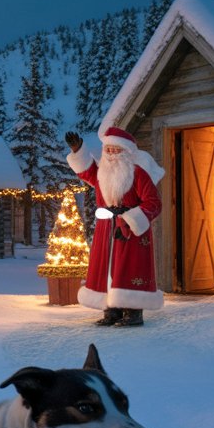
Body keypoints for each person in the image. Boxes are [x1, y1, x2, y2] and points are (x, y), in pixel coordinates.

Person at [65, 126, 164, 327]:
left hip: (131, 231)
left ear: (126, 152)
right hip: (106, 229)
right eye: (107, 149)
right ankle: (112, 310)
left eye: (115, 150)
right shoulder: (103, 173)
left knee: (129, 267)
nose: (110, 154)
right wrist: (79, 152)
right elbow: (88, 171)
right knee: (107, 267)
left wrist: (130, 219)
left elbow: (153, 203)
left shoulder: (138, 174)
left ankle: (133, 312)